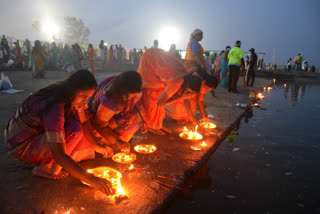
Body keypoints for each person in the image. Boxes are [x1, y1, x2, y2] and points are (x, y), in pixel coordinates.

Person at [4, 70, 115, 195]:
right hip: (20, 146)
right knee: (74, 132)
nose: (85, 102)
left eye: (87, 98)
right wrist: (92, 180)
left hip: (34, 137)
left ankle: (50, 162)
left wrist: (96, 145)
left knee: (77, 128)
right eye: (83, 97)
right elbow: (59, 155)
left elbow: (84, 122)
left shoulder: (67, 94)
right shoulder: (54, 105)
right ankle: (46, 169)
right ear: (73, 89)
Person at [87, 71, 147, 152]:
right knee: (131, 121)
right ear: (122, 94)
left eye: (135, 95)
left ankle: (121, 137)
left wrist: (142, 119)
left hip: (114, 115)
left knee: (137, 116)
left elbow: (135, 102)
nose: (133, 98)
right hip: (96, 123)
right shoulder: (110, 102)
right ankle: (108, 143)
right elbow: (99, 126)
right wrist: (118, 141)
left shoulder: (129, 84)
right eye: (130, 97)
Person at [137, 48, 188, 135]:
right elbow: (160, 103)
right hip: (149, 75)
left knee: (158, 107)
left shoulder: (183, 76)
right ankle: (151, 127)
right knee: (151, 106)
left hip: (157, 74)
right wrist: (180, 97)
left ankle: (158, 125)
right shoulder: (176, 82)